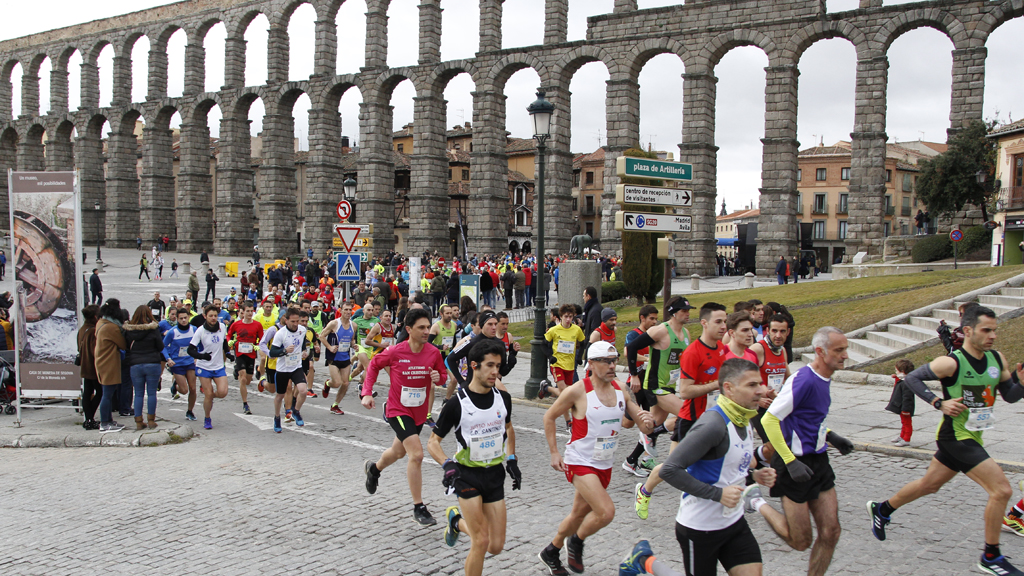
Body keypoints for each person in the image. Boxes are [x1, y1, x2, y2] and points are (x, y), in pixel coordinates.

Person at [867, 306, 1024, 576]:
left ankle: (882, 509)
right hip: (955, 437)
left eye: (994, 330)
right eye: (986, 330)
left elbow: (1010, 395)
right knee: (1002, 490)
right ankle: (991, 556)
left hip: (973, 435)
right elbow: (912, 378)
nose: (993, 336)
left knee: (930, 485)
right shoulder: (952, 362)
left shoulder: (997, 359)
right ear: (968, 331)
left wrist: (1022, 381)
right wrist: (938, 402)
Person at [618, 358, 779, 576]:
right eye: (752, 385)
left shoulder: (743, 417)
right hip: (701, 528)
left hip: (734, 522)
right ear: (729, 389)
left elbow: (727, 465)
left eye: (759, 383)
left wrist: (755, 475)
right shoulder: (713, 425)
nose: (761, 390)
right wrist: (718, 494)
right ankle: (643, 560)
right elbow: (669, 470)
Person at [539, 341, 655, 575]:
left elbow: (637, 421)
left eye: (614, 361)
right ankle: (577, 541)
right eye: (606, 361)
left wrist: (647, 422)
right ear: (591, 363)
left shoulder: (621, 388)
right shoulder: (578, 390)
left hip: (604, 462)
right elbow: (549, 417)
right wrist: (554, 452)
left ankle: (551, 550)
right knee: (605, 511)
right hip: (580, 461)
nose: (612, 365)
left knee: (578, 514)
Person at [755, 326, 854, 576]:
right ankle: (756, 502)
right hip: (793, 464)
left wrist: (832, 437)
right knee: (800, 541)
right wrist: (789, 461)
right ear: (820, 352)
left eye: (846, 349)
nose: (845, 355)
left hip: (818, 461)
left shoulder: (825, 378)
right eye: (839, 350)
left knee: (831, 532)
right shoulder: (804, 379)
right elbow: (769, 420)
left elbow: (808, 419)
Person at [427, 338, 520, 576]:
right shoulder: (457, 403)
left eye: (498, 366)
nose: (495, 372)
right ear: (474, 366)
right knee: (480, 541)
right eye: (490, 365)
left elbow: (508, 429)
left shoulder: (503, 398)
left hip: (494, 475)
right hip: (466, 475)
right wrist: (447, 464)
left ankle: (456, 522)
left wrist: (511, 459)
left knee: (496, 546)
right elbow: (433, 442)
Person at [634, 302, 728, 521]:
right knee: (671, 467)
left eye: (726, 321)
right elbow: (685, 391)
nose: (724, 326)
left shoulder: (722, 350)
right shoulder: (694, 350)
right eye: (719, 321)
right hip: (690, 417)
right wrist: (715, 385)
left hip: (714, 417)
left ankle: (715, 500)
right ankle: (645, 490)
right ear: (705, 323)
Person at [361, 307, 447, 526]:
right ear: (409, 329)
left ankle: (374, 469)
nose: (427, 331)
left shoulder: (433, 353)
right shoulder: (395, 352)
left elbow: (442, 377)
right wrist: (367, 393)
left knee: (398, 452)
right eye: (421, 327)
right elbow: (373, 365)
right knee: (416, 455)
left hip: (418, 413)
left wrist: (438, 377)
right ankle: (419, 507)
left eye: (428, 326)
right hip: (398, 411)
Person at [625, 297, 695, 462]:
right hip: (654, 385)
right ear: (673, 313)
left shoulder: (686, 334)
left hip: (669, 384)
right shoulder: (661, 330)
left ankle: (632, 461)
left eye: (688, 310)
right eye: (683, 311)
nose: (687, 314)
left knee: (651, 424)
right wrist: (634, 375)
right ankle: (676, 457)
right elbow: (632, 347)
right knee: (688, 414)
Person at [622, 305, 661, 477]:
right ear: (642, 318)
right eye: (651, 318)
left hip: (650, 385)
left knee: (651, 423)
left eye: (656, 319)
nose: (655, 322)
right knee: (628, 423)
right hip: (635, 385)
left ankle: (635, 460)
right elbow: (627, 352)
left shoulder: (655, 336)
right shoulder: (634, 334)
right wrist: (647, 358)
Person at [537, 304, 585, 430]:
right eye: (565, 317)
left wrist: (580, 357)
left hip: (570, 366)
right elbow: (543, 344)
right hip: (557, 364)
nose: (568, 319)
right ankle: (569, 421)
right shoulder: (554, 330)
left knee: (565, 395)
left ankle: (547, 388)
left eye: (570, 317)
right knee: (565, 393)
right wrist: (550, 356)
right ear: (561, 317)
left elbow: (583, 342)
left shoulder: (576, 330)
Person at [187, 305, 229, 430]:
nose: (213, 318)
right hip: (204, 367)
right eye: (210, 316)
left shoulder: (222, 327)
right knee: (208, 393)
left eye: (215, 315)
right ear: (205, 316)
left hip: (218, 366)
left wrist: (228, 353)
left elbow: (224, 342)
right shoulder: (200, 330)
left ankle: (210, 398)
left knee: (222, 392)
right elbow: (190, 350)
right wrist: (201, 356)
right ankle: (207, 417)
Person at [269, 308, 310, 432]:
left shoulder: (302, 330)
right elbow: (272, 352)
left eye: (297, 321)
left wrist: (304, 351)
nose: (296, 324)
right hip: (283, 369)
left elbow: (302, 343)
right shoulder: (281, 334)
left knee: (303, 391)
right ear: (286, 320)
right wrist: (284, 351)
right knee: (280, 395)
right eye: (293, 321)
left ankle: (296, 411)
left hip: (296, 366)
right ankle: (277, 418)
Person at [123, 306, 164, 430]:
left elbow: (125, 347)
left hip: (135, 365)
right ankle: (151, 420)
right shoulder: (153, 329)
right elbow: (160, 346)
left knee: (138, 394)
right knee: (151, 393)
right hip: (152, 363)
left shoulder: (128, 331)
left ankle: (138, 421)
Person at [94, 299, 127, 433]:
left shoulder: (101, 323)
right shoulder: (112, 327)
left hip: (101, 362)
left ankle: (108, 420)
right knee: (107, 394)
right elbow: (122, 344)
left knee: (106, 393)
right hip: (109, 363)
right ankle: (104, 423)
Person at [320, 301, 356, 414]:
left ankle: (335, 405)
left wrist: (354, 345)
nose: (348, 312)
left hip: (345, 357)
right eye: (346, 309)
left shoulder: (353, 325)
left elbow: (352, 339)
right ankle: (327, 384)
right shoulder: (334, 324)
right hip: (334, 357)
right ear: (340, 310)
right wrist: (330, 347)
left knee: (345, 383)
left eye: (350, 310)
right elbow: (322, 336)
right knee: (336, 383)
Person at [227, 302, 263, 415]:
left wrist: (258, 345)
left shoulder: (257, 325)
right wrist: (230, 341)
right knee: (242, 378)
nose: (249, 313)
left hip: (251, 354)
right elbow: (228, 334)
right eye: (247, 311)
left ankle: (255, 370)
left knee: (247, 380)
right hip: (240, 353)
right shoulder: (236, 324)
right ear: (243, 312)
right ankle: (245, 404)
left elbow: (261, 339)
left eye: (251, 311)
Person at [164, 308, 198, 420]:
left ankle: (190, 411)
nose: (183, 320)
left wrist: (197, 356)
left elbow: (200, 344)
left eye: (185, 318)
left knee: (193, 389)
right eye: (181, 318)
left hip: (190, 362)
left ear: (188, 317)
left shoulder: (194, 330)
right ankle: (176, 386)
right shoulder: (172, 332)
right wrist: (168, 359)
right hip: (177, 364)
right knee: (184, 390)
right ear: (177, 319)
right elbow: (163, 346)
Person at [77, 305, 102, 430]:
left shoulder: (82, 329)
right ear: (95, 316)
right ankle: (90, 418)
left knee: (87, 392)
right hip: (92, 366)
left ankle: (88, 419)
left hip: (85, 365)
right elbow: (95, 351)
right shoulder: (92, 331)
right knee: (100, 392)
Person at [885, 359, 915, 447]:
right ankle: (902, 436)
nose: (896, 372)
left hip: (905, 408)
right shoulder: (903, 379)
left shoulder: (906, 383)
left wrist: (905, 409)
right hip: (901, 406)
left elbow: (907, 398)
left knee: (907, 423)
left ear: (902, 371)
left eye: (896, 371)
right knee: (903, 422)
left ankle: (906, 439)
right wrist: (895, 377)